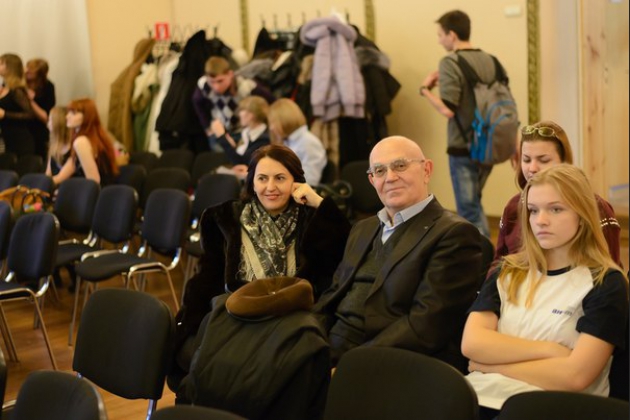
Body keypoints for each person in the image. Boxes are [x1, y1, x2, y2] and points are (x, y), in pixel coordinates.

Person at [461, 164, 628, 419]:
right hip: (479, 397)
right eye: (533, 210)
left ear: (582, 215)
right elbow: (473, 343)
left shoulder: (604, 282)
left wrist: (490, 365)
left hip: (550, 407)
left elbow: (574, 376)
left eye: (556, 209)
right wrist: (550, 351)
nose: (541, 220)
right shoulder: (507, 271)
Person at [173, 144, 351, 374]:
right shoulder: (224, 217)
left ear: (295, 181)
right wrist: (189, 322)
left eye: (280, 178)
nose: (270, 187)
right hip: (236, 315)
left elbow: (347, 250)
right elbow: (207, 277)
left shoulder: (312, 220)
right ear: (252, 182)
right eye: (262, 178)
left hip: (291, 319)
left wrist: (318, 202)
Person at [314, 135, 483, 373]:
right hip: (329, 348)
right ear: (372, 180)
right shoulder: (363, 228)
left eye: (400, 165)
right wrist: (308, 341)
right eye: (380, 171)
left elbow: (424, 326)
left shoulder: (454, 234)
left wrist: (350, 366)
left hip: (385, 362)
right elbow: (333, 295)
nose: (390, 177)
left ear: (427, 170)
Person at [419, 10, 501, 238]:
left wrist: (425, 90)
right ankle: (488, 252)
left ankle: (482, 256)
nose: (439, 40)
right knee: (474, 203)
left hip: (463, 146)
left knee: (469, 210)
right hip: (490, 144)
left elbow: (448, 109)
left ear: (452, 35)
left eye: (440, 35)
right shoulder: (490, 60)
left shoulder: (450, 62)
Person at [496, 120, 622, 267]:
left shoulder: (597, 208)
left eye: (543, 160)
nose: (532, 168)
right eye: (526, 160)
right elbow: (498, 265)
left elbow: (609, 271)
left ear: (564, 161)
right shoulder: (513, 207)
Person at [192, 56, 275, 153]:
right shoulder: (204, 84)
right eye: (212, 82)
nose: (216, 87)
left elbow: (272, 101)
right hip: (219, 131)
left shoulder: (246, 86)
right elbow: (196, 102)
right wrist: (207, 128)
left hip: (242, 131)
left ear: (230, 74)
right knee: (220, 157)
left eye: (220, 81)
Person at [54, 98, 119, 186]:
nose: (67, 116)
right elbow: (60, 176)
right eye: (68, 112)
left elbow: (94, 182)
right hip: (105, 189)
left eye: (73, 113)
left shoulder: (81, 142)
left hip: (100, 191)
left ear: (86, 116)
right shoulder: (92, 138)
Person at [267, 98, 327, 186]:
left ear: (285, 120)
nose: (271, 128)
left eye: (273, 122)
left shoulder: (308, 142)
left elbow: (311, 180)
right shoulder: (289, 141)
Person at [214, 95, 271, 180]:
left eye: (242, 110)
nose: (239, 114)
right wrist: (232, 145)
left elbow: (241, 165)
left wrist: (222, 138)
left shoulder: (263, 139)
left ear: (251, 115)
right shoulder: (246, 132)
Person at [0, 53, 36, 157]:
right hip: (8, 139)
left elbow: (30, 114)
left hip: (20, 142)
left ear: (10, 67)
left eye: (1, 63)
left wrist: (5, 114)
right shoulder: (4, 87)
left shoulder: (17, 90)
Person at [25, 58, 56, 162]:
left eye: (31, 69)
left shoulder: (48, 87)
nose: (27, 70)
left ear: (40, 73)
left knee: (38, 158)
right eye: (27, 67)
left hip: (39, 130)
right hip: (23, 128)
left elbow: (46, 117)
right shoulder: (22, 84)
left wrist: (31, 100)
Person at [45, 106, 71, 177]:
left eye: (50, 120)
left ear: (58, 123)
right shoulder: (54, 146)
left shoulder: (73, 148)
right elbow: (48, 174)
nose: (48, 124)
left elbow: (61, 177)